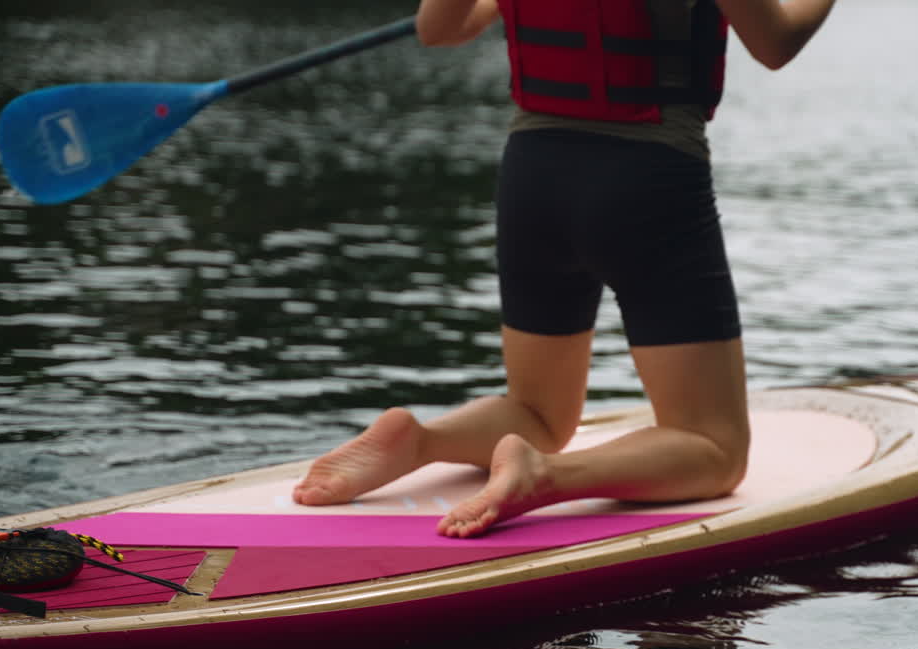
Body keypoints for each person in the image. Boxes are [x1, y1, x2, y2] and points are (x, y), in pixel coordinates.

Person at [293, 0, 837, 537]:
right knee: (714, 447)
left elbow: (438, 28)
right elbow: (774, 44)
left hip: (534, 176)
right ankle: (545, 474)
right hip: (648, 178)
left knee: (539, 412)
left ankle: (421, 440)